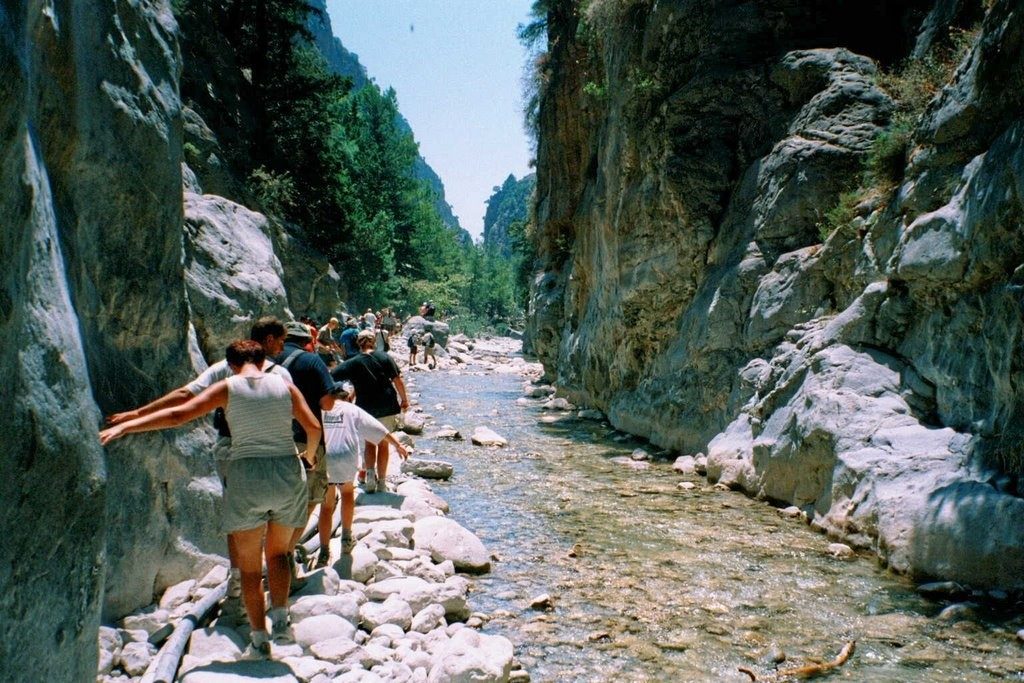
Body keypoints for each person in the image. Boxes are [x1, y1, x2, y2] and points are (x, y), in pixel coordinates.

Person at [100, 340, 320, 659]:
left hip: (247, 473)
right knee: (278, 555)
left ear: (230, 365)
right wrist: (308, 458)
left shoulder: (228, 387)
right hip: (288, 470)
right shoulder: (286, 386)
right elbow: (313, 427)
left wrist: (128, 426)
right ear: (263, 361)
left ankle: (260, 642)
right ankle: (282, 623)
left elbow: (179, 415)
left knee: (248, 568)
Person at [105, 317, 292, 605]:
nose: (282, 346)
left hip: (234, 452)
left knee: (240, 519)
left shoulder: (225, 370)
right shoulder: (282, 377)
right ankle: (275, 603)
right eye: (280, 341)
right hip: (277, 455)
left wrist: (136, 416)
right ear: (267, 341)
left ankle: (239, 583)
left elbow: (184, 399)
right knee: (275, 523)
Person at [318, 381, 409, 564]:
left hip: (325, 457)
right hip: (346, 456)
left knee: (326, 506)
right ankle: (346, 538)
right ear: (349, 397)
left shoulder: (321, 407)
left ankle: (324, 550)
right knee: (347, 494)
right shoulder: (352, 410)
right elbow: (378, 429)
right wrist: (398, 445)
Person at [276, 322, 336, 572]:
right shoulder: (312, 362)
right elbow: (327, 404)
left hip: (270, 439)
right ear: (306, 341)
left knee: (276, 502)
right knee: (309, 498)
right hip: (306, 440)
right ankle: (286, 553)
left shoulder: (265, 360)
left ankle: (269, 554)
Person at [331, 329, 410, 493]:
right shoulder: (385, 357)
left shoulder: (353, 362)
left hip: (366, 406)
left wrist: (345, 396)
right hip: (387, 405)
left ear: (358, 343)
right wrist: (404, 400)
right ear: (374, 342)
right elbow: (397, 380)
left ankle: (369, 479)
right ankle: (381, 483)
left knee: (369, 443)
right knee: (383, 444)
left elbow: (333, 375)